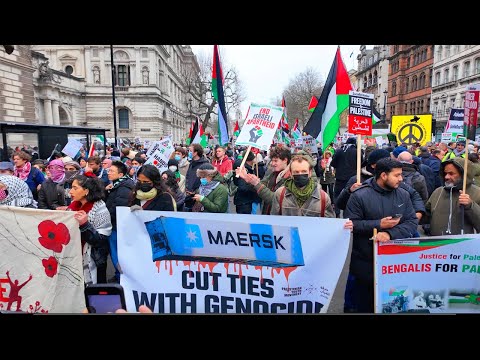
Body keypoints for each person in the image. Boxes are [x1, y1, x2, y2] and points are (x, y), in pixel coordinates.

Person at [344, 158, 418, 313]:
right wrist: (378, 225)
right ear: (383, 175)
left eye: (401, 175)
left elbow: (411, 222)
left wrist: (389, 233)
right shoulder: (359, 196)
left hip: (395, 264)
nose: (401, 179)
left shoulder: (403, 195)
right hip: (365, 263)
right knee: (364, 306)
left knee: (392, 305)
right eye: (396, 175)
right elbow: (351, 224)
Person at [270, 153, 352, 228]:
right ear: (291, 174)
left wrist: (344, 226)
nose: (300, 174)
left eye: (303, 171)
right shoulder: (280, 194)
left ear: (309, 173)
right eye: (296, 172)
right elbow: (273, 223)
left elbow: (330, 226)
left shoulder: (323, 198)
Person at [68, 173, 112, 285]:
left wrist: (85, 225)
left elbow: (101, 240)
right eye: (71, 187)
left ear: (86, 191)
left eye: (75, 188)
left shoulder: (100, 209)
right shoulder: (73, 206)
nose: (70, 191)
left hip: (93, 259)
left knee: (91, 296)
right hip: (73, 257)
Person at [423, 157, 480, 235]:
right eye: (445, 173)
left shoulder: (477, 193)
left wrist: (471, 206)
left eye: (451, 173)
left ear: (463, 175)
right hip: (437, 244)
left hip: (465, 245)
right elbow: (425, 217)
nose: (446, 177)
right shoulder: (438, 192)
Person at [237, 145, 291, 215]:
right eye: (272, 160)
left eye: (276, 161)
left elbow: (275, 200)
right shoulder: (273, 174)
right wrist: (248, 179)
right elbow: (261, 186)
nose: (272, 163)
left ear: (285, 160)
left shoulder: (290, 177)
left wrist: (256, 183)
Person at [105, 161, 135, 282]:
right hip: (116, 224)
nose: (109, 173)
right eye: (109, 170)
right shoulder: (118, 185)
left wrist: (107, 217)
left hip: (117, 225)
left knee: (117, 254)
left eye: (112, 171)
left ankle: (120, 278)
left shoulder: (123, 187)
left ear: (121, 174)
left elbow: (118, 206)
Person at [330, 137, 360, 217]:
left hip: (340, 178)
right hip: (353, 178)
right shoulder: (357, 151)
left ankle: (337, 213)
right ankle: (348, 214)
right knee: (351, 196)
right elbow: (360, 164)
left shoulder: (339, 151)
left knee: (337, 195)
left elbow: (333, 163)